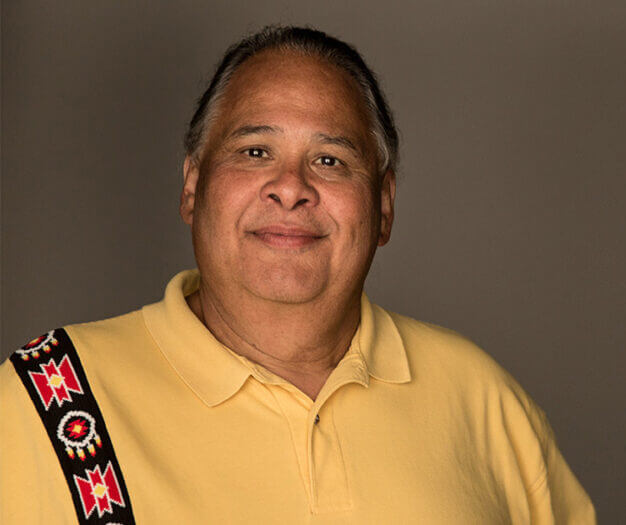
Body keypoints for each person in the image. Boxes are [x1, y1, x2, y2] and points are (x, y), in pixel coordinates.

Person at [0, 26, 595, 524]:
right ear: (191, 185)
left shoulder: (485, 402)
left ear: (383, 207)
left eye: (330, 160)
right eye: (255, 151)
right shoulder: (46, 401)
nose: (291, 187)